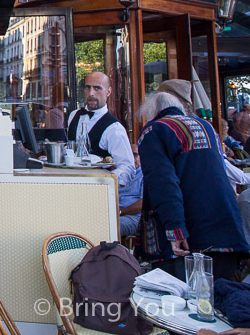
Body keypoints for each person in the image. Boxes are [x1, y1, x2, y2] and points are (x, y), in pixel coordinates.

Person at [137, 92, 248, 282]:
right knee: (223, 298)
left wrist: (175, 229)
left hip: (188, 236)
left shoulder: (154, 130)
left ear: (152, 112)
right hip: (224, 228)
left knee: (184, 302)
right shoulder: (206, 127)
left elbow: (163, 183)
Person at [67, 72, 135, 188]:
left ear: (108, 91)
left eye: (97, 88)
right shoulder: (74, 115)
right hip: (69, 184)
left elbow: (127, 168)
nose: (91, 93)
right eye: (88, 88)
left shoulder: (114, 128)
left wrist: (104, 182)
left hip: (96, 190)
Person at [119, 143, 143, 239]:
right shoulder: (120, 174)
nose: (132, 158)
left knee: (107, 227)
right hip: (114, 215)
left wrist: (119, 212)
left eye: (135, 155)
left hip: (135, 218)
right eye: (129, 155)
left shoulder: (144, 176)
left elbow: (143, 204)